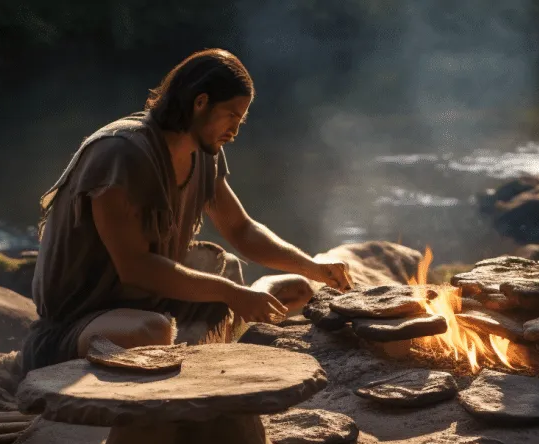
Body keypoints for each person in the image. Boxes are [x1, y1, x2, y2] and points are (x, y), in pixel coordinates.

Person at [22, 48, 352, 371]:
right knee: (153, 331)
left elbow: (241, 229)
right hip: (79, 322)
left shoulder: (204, 154)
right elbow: (135, 267)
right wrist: (230, 293)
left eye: (241, 120)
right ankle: (215, 330)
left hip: (148, 301)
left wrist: (315, 268)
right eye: (231, 117)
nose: (235, 132)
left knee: (247, 274)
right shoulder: (120, 154)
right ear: (200, 103)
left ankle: (234, 313)